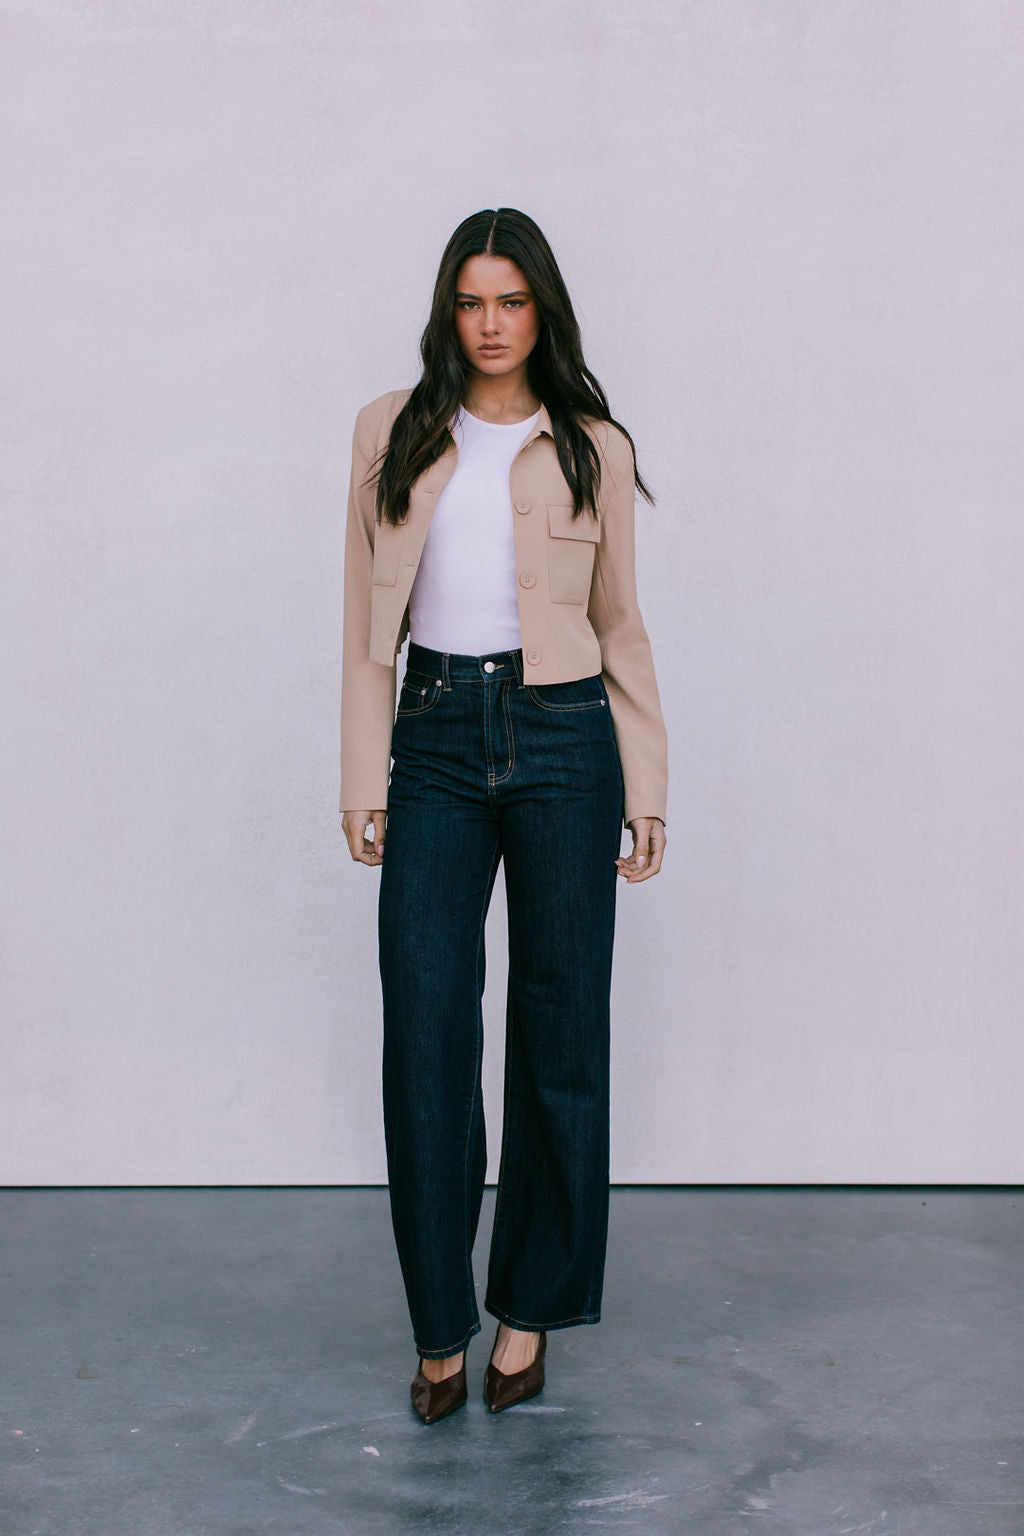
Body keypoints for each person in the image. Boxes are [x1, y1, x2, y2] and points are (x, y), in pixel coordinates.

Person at [339, 207, 668, 1424]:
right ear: (448, 309)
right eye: (471, 302)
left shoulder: (590, 442)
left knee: (560, 1031)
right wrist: (361, 774)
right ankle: (439, 1328)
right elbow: (360, 622)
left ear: (542, 311)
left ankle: (527, 1312)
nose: (489, 325)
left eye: (511, 302)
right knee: (425, 1030)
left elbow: (622, 623)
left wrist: (648, 784)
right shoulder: (391, 431)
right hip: (428, 737)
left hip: (568, 740)